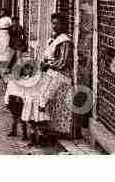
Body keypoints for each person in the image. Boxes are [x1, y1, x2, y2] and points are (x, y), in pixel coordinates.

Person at [22, 13, 74, 147]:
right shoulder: (53, 39)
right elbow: (47, 56)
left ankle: (46, 131)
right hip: (50, 73)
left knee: (42, 98)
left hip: (61, 75)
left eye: (57, 23)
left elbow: (62, 62)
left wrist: (48, 65)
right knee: (31, 94)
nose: (54, 26)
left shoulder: (65, 41)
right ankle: (38, 130)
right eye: (53, 23)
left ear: (63, 25)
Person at [4, 63, 34, 141]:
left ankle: (23, 134)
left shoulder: (24, 81)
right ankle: (16, 132)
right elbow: (8, 91)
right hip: (13, 100)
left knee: (21, 118)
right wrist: (6, 101)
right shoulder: (14, 81)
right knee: (15, 117)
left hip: (19, 101)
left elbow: (25, 92)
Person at [0, 8, 14, 75]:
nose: (1, 13)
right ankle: (0, 65)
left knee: (6, 48)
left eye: (2, 12)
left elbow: (12, 26)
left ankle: (6, 66)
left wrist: (7, 29)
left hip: (6, 34)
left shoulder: (8, 19)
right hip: (0, 34)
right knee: (0, 48)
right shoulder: (0, 20)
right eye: (0, 12)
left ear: (5, 13)